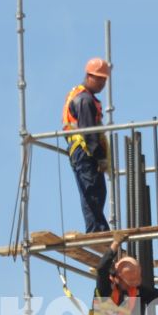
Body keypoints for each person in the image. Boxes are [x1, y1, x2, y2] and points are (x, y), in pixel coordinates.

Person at [63, 57, 113, 233]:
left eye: (104, 80)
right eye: (100, 79)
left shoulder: (85, 97)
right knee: (92, 191)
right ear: (89, 76)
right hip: (85, 153)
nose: (103, 83)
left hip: (84, 152)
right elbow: (89, 133)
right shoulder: (84, 99)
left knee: (97, 191)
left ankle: (98, 228)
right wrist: (101, 158)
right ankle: (95, 229)